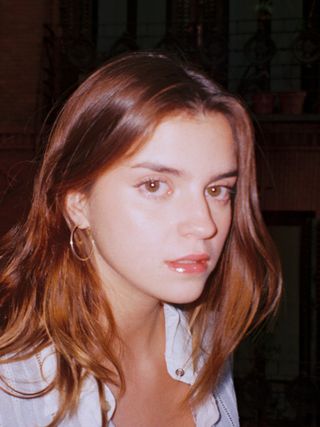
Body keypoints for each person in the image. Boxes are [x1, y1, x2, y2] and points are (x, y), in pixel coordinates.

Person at [0, 51, 281, 427]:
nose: (204, 225)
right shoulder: (13, 383)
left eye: (218, 190)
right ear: (78, 203)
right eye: (155, 185)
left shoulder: (207, 344)